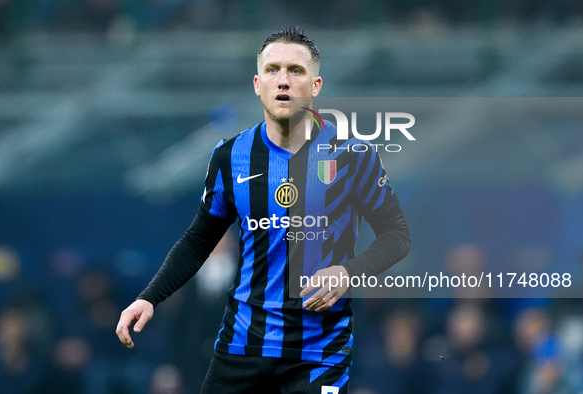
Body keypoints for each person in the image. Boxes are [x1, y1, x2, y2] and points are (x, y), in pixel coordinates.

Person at [116, 25, 411, 393]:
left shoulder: (354, 156)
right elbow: (198, 241)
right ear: (258, 84)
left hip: (320, 352)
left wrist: (349, 272)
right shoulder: (230, 156)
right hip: (243, 348)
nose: (283, 81)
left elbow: (397, 235)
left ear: (316, 86)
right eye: (273, 70)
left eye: (296, 70)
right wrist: (149, 297)